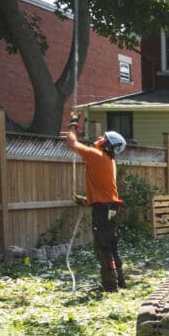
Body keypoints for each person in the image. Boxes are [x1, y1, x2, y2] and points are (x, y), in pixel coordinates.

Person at [61, 113, 128, 292]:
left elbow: (71, 144)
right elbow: (102, 188)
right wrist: (89, 200)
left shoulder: (97, 156)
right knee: (111, 244)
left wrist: (73, 124)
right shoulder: (108, 160)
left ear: (108, 145)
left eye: (103, 138)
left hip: (103, 208)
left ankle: (110, 286)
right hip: (111, 207)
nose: (99, 138)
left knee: (102, 246)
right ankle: (119, 281)